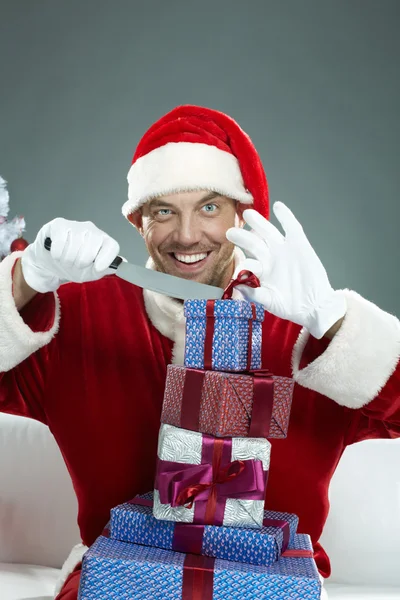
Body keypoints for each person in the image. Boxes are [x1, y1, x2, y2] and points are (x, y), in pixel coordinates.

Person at [0, 105, 399, 600]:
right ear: (138, 220)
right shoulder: (74, 317)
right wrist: (25, 281)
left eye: (210, 207)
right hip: (113, 584)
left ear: (242, 214)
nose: (187, 236)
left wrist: (335, 321)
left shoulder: (306, 330)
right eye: (164, 210)